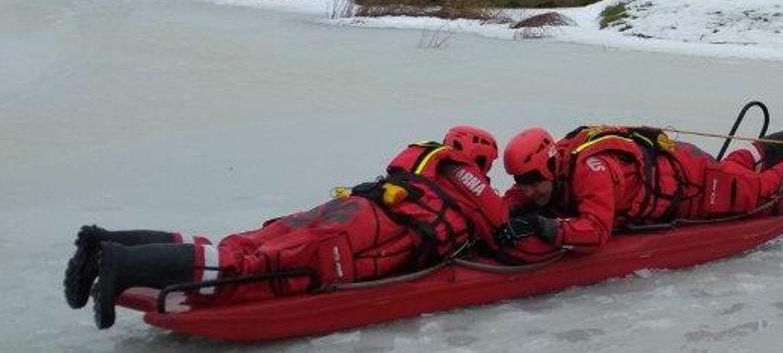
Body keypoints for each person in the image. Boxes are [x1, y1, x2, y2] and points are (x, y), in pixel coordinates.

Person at [62, 126, 509, 330]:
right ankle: (122, 262)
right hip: (360, 237)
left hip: (346, 210)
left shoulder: (418, 158)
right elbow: (504, 233)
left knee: (240, 245)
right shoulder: (469, 180)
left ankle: (104, 245)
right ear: (482, 161)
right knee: (254, 267)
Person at [494, 118, 783, 253]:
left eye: (531, 181)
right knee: (732, 172)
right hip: (681, 166)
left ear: (549, 165)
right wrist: (502, 215)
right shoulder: (554, 166)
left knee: (757, 193)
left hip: (690, 187)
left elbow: (595, 231)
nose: (527, 189)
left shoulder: (590, 171)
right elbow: (515, 198)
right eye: (520, 182)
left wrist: (547, 228)